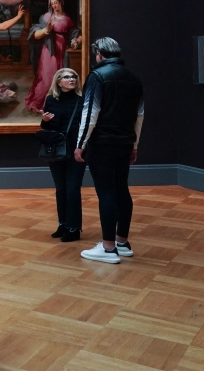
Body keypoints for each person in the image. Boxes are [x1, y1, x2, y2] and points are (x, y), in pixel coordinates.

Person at [74, 37, 144, 264]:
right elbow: (139, 117)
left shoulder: (97, 76)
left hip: (102, 144)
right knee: (121, 189)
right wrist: (134, 145)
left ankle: (107, 248)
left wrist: (81, 144)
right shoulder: (133, 78)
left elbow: (89, 114)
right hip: (125, 143)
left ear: (99, 54)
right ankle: (122, 242)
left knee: (106, 191)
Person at [39, 68, 86, 242]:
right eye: (67, 77)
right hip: (57, 150)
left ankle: (74, 229)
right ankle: (63, 224)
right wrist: (45, 121)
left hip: (76, 150)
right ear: (58, 81)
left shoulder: (82, 100)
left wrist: (82, 146)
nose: (72, 79)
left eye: (74, 76)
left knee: (73, 189)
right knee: (61, 189)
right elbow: (48, 128)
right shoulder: (51, 100)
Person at [25, 0, 75, 112]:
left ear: (61, 2)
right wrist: (46, 30)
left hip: (62, 50)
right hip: (49, 50)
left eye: (56, 3)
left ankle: (57, 105)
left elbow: (72, 32)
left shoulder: (67, 19)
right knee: (47, 78)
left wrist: (75, 39)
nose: (54, 6)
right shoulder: (47, 17)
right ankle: (40, 104)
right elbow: (35, 33)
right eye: (52, 4)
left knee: (61, 77)